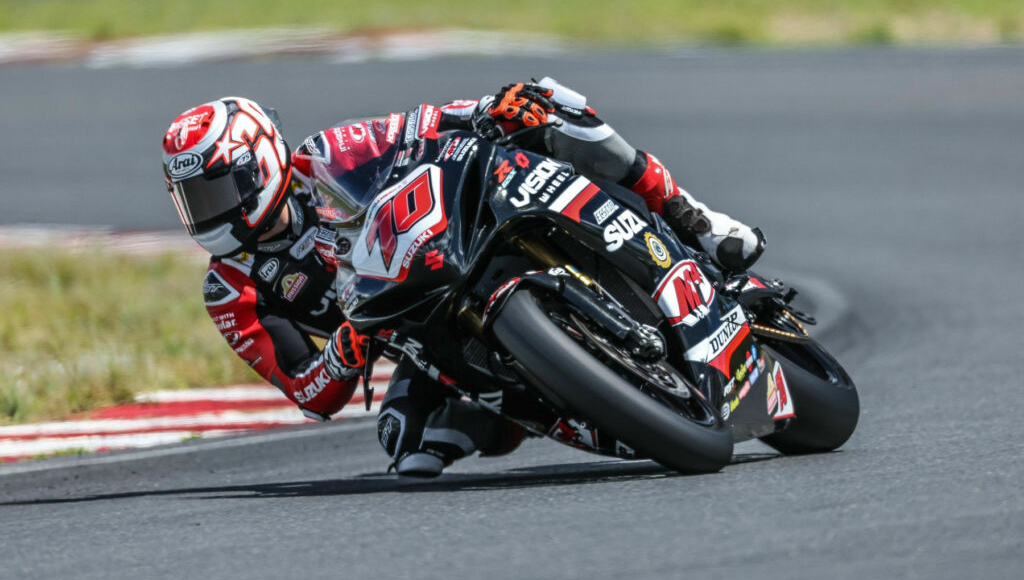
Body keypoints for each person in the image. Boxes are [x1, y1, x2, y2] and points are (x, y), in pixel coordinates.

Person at [161, 79, 765, 476]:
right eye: (193, 198)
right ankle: (564, 395)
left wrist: (489, 108)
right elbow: (308, 392)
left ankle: (696, 220)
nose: (209, 210)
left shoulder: (327, 153)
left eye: (216, 189)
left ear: (258, 162)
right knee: (407, 444)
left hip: (454, 237)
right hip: (416, 331)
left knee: (553, 103)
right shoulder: (230, 290)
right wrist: (344, 353)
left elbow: (421, 124)